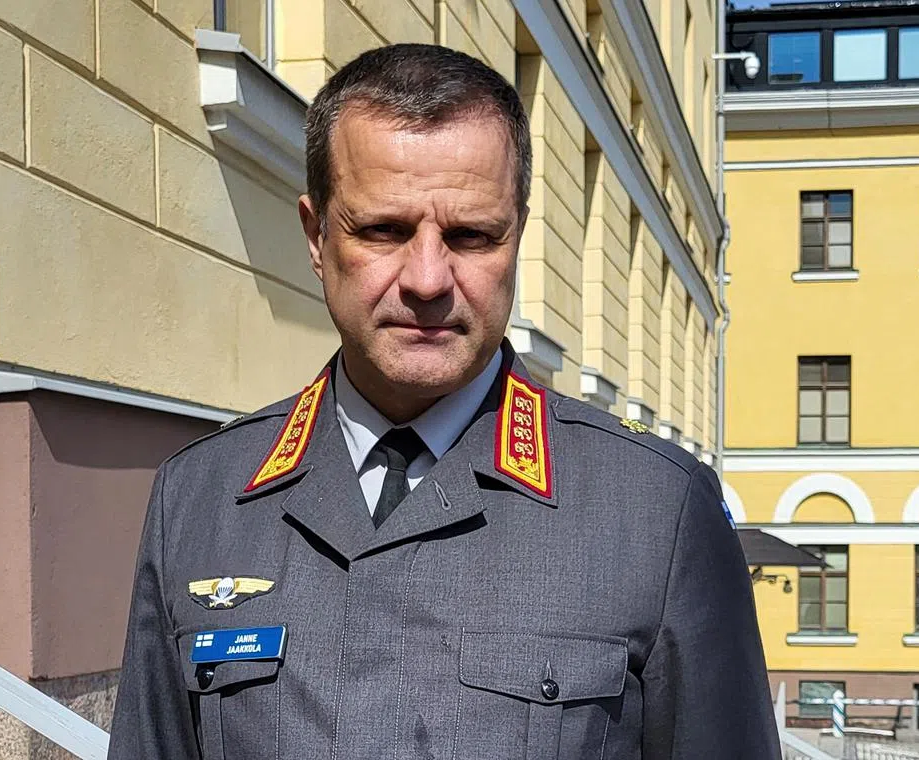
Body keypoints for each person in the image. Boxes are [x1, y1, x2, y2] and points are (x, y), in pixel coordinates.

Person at [108, 43, 781, 760]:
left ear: (516, 237)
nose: (428, 279)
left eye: (470, 235)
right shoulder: (202, 495)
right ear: (315, 236)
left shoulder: (654, 510)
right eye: (383, 231)